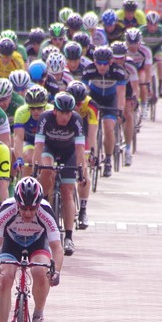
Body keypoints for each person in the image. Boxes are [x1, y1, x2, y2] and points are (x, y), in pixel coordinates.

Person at [0, 177, 63, 322]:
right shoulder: (7, 209)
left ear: (38, 205)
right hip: (11, 244)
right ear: (17, 203)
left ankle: (38, 315)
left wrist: (56, 272)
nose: (28, 213)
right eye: (23, 208)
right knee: (4, 279)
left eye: (32, 208)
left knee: (41, 271)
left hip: (38, 243)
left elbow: (57, 248)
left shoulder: (46, 211)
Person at [34, 92, 86, 256]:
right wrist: (36, 167)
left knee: (67, 192)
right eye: (62, 113)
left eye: (68, 113)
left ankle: (69, 237)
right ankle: (43, 201)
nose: (65, 117)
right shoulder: (45, 117)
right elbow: (38, 146)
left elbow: (80, 149)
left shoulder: (76, 120)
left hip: (68, 153)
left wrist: (82, 170)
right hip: (49, 149)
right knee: (46, 169)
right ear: (55, 111)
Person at [81, 45, 129, 178]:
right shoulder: (88, 70)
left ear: (111, 62)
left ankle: (108, 160)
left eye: (105, 64)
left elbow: (121, 94)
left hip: (110, 100)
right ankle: (91, 155)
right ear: (94, 62)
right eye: (99, 63)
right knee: (90, 128)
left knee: (108, 127)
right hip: (94, 98)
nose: (102, 67)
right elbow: (82, 93)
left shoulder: (118, 71)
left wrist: (120, 111)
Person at [66, 80, 98, 229]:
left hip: (83, 133)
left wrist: (91, 153)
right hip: (66, 133)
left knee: (83, 170)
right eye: (75, 103)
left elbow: (92, 133)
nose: (77, 107)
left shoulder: (91, 105)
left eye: (80, 103)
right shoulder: (62, 103)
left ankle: (83, 210)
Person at [12, 84, 52, 179]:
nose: (35, 111)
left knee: (47, 165)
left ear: (45, 105)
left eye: (39, 108)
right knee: (29, 158)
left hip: (47, 143)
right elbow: (18, 138)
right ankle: (26, 183)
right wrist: (19, 158)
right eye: (32, 108)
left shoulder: (52, 111)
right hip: (29, 141)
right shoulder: (21, 112)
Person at [140, 11, 162, 97]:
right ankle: (147, 86)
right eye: (150, 24)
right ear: (147, 23)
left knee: (160, 61)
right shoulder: (141, 30)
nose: (152, 27)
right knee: (146, 65)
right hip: (146, 49)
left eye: (155, 25)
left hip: (158, 48)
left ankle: (160, 87)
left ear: (158, 24)